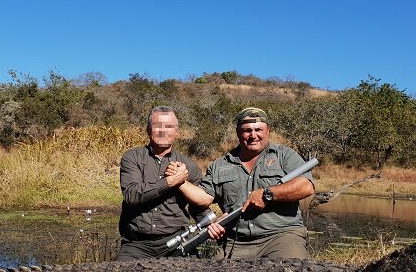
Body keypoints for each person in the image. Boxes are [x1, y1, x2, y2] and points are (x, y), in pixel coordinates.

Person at [167, 107, 315, 259]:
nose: (253, 135)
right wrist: (180, 181)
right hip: (235, 241)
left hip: (281, 237)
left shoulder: (285, 155)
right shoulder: (220, 164)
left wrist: (268, 194)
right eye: (247, 130)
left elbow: (306, 187)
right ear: (238, 132)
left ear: (268, 131)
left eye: (258, 129)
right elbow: (204, 198)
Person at [116, 106, 207, 260]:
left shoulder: (189, 166)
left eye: (169, 126)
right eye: (157, 125)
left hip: (177, 243)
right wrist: (170, 182)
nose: (163, 131)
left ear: (176, 132)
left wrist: (212, 223)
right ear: (148, 129)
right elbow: (132, 195)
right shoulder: (132, 158)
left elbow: (197, 208)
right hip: (136, 245)